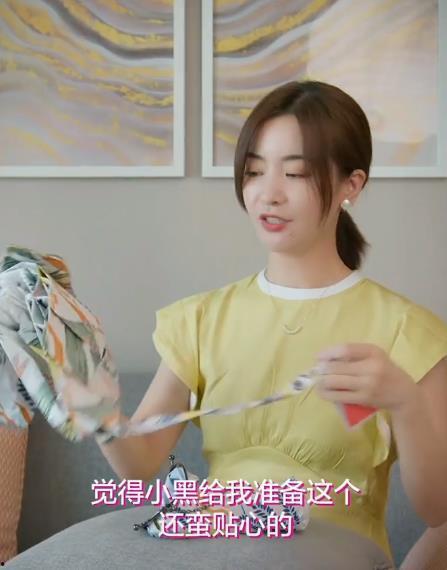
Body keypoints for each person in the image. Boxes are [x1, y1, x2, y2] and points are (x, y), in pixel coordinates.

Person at [98, 81, 447, 566]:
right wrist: (90, 401)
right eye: (255, 171)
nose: (269, 194)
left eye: (296, 173)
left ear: (351, 185)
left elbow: (438, 511)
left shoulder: (406, 330)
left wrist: (406, 403)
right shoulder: (202, 319)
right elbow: (137, 466)